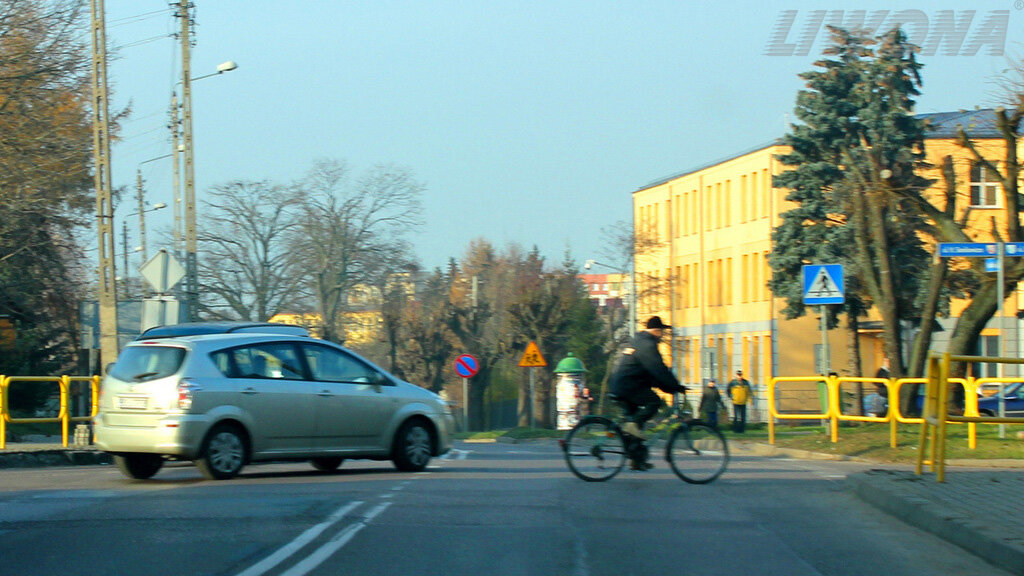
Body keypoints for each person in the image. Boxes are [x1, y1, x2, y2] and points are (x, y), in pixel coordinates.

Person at [609, 316, 688, 469]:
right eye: (662, 331)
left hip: (621, 384)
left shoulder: (638, 340)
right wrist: (676, 386)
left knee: (637, 422)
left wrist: (669, 387)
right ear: (657, 331)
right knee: (654, 402)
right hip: (628, 386)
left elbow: (651, 374)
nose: (662, 335)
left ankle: (637, 459)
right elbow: (658, 369)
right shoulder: (648, 345)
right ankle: (632, 431)